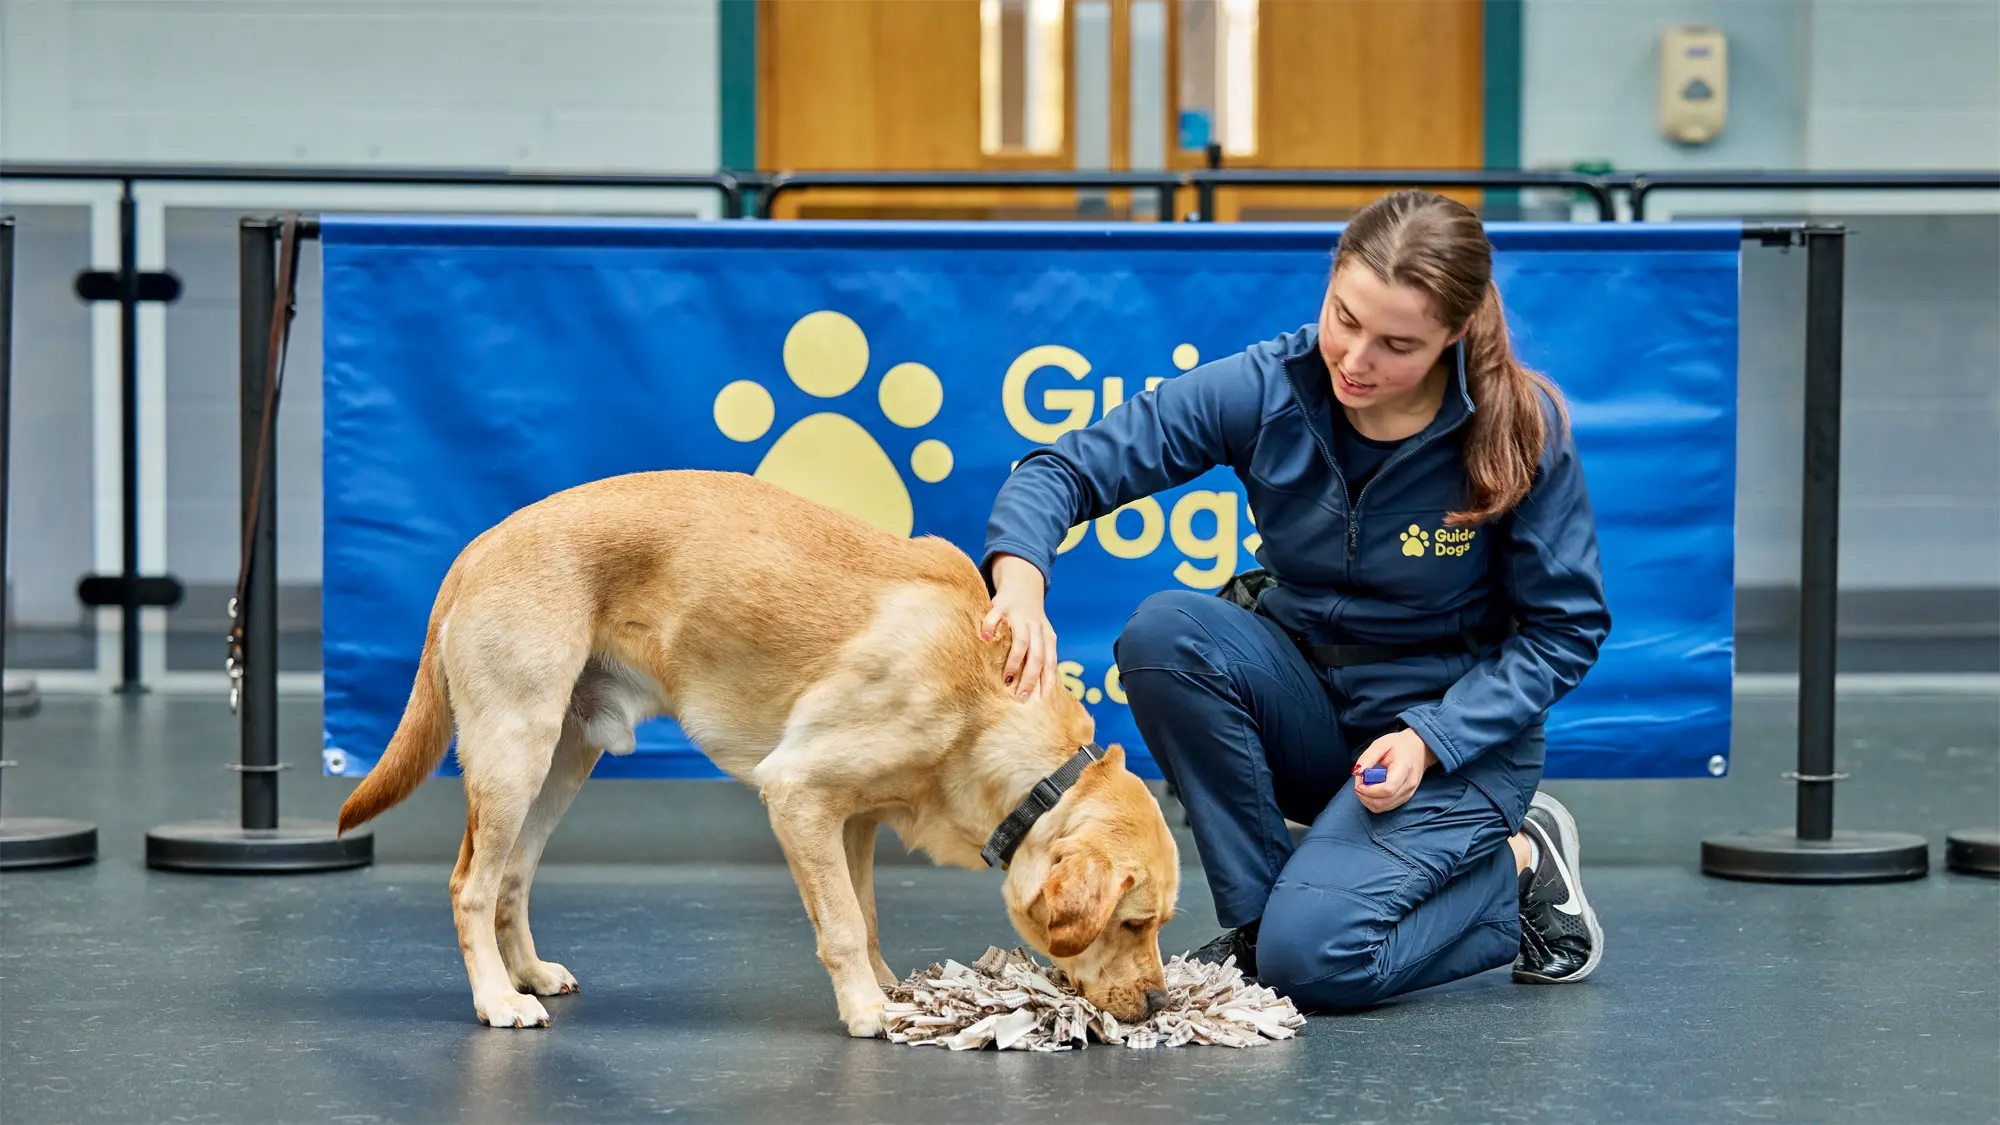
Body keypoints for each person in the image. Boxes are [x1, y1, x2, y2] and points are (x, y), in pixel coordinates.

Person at [977, 189, 1608, 1012]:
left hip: (1452, 746)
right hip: (1314, 716)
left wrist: (1433, 736)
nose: (1354, 358)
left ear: (1453, 336)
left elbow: (1566, 631)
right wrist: (1020, 577)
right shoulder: (1268, 387)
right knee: (1166, 633)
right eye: (1343, 317)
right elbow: (1065, 470)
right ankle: (1258, 927)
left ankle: (1518, 869)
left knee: (1315, 966)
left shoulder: (1519, 428)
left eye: (1396, 345)